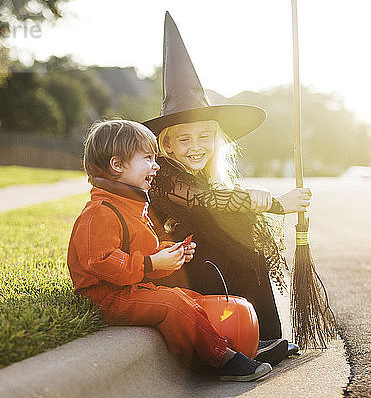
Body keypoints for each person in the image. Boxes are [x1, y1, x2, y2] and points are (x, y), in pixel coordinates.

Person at [143, 13, 311, 359]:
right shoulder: (163, 175)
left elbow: (218, 200)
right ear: (168, 145)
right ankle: (237, 338)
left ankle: (262, 333)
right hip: (174, 268)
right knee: (222, 249)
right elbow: (206, 201)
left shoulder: (203, 174)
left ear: (217, 139)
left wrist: (253, 210)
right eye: (184, 139)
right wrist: (274, 203)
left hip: (200, 261)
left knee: (242, 243)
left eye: (205, 136)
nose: (196, 146)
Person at [67, 119, 282, 381]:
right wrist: (151, 263)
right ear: (117, 165)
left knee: (189, 298)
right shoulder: (100, 212)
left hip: (129, 289)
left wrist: (168, 253)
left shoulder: (131, 206)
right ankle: (219, 359)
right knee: (174, 304)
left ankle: (235, 345)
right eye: (148, 158)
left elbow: (143, 251)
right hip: (106, 297)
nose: (156, 165)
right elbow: (102, 263)